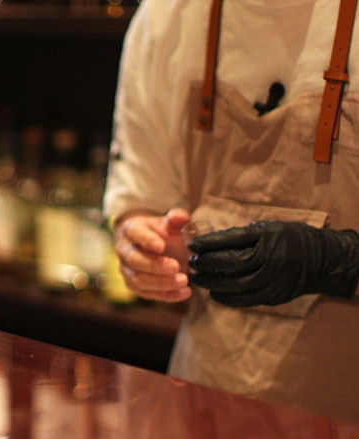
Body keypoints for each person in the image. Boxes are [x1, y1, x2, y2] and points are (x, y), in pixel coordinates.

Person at [103, 0, 359, 423]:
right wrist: (145, 249)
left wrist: (338, 260)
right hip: (206, 398)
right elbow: (141, 202)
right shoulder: (168, 15)